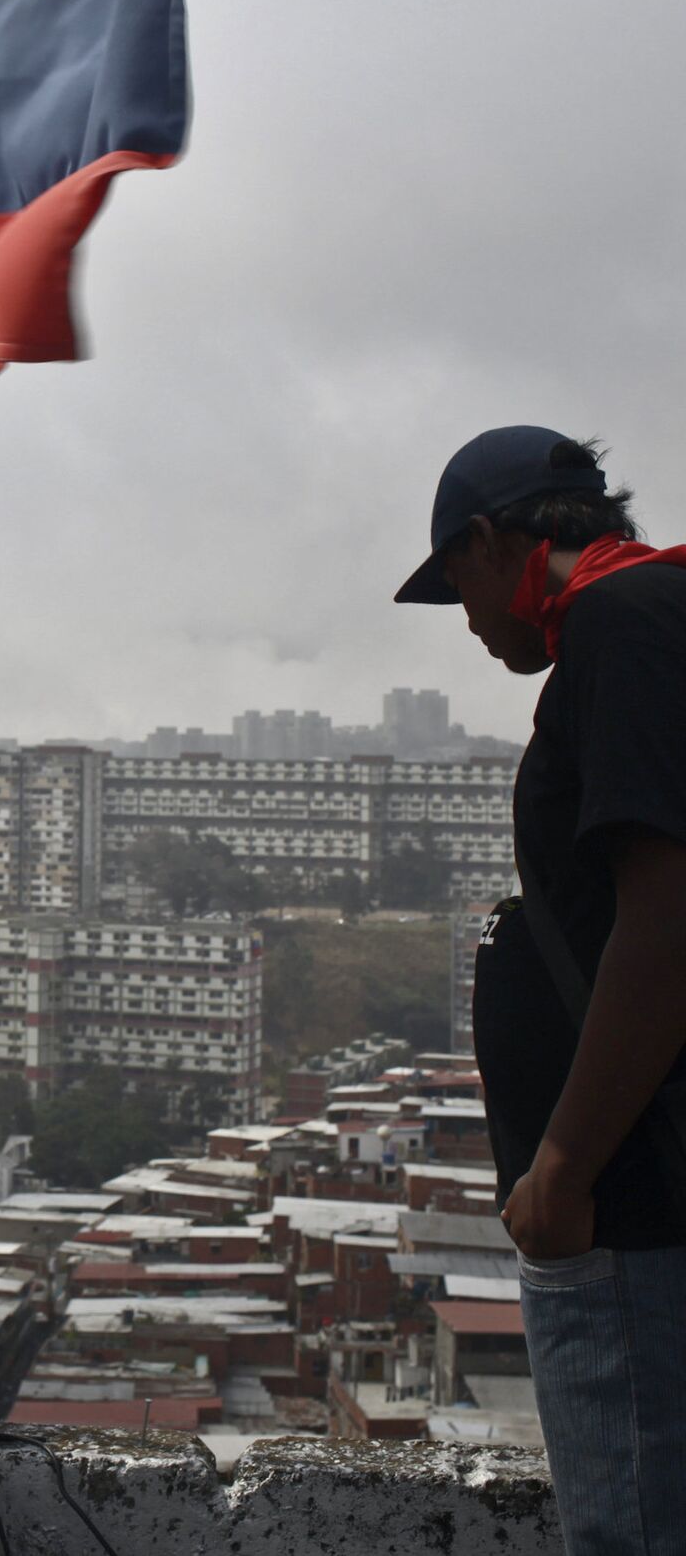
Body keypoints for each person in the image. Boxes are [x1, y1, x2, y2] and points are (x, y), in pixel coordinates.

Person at [397, 425, 686, 1556]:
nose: (469, 620)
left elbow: (664, 920)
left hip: (636, 1208)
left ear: (489, 539)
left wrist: (560, 1176)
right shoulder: (641, 621)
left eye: (457, 583)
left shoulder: (625, 621)